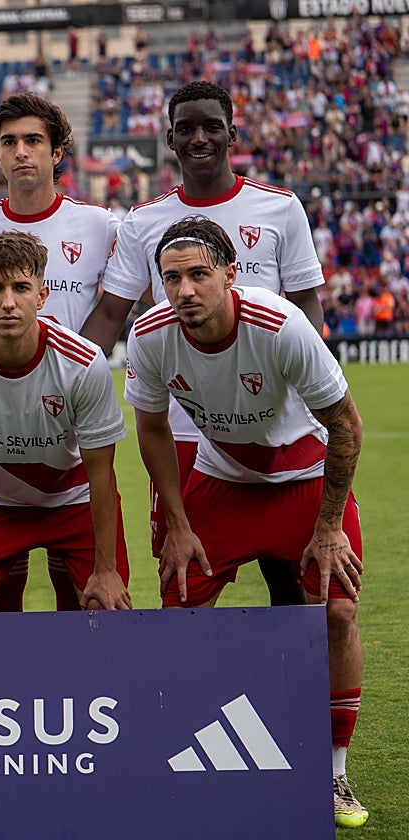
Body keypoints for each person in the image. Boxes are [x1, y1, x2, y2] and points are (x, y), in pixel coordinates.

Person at [124, 216, 366, 830]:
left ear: (231, 275)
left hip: (304, 481)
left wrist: (329, 526)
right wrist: (177, 525)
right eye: (172, 278)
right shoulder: (151, 336)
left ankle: (334, 771)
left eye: (199, 275)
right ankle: (182, 758)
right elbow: (151, 430)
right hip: (221, 480)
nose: (184, 291)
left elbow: (345, 425)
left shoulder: (280, 324)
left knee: (337, 608)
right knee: (178, 605)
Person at [81, 80, 323, 607]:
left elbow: (306, 305)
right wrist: (66, 376)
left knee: (288, 578)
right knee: (185, 582)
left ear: (232, 133)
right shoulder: (144, 221)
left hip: (270, 421)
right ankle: (190, 691)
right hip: (182, 432)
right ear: (169, 138)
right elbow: (110, 312)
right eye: (186, 128)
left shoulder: (279, 208)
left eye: (211, 126)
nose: (199, 138)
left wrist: (310, 391)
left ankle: (287, 687)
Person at [0, 93, 120, 610]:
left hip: (69, 425)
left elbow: (135, 296)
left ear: (57, 152)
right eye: (9, 142)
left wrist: (84, 368)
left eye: (34, 141)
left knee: (84, 606)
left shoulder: (99, 225)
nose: (21, 152)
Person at [0, 232, 131, 614]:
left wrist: (106, 569)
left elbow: (102, 473)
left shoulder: (82, 363)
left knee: (106, 607)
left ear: (42, 295)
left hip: (73, 500)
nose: (8, 302)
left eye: (21, 287)